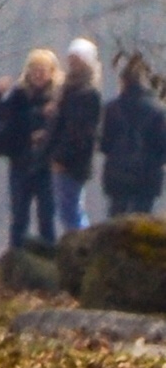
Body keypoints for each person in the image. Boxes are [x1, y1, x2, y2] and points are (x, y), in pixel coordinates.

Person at [0, 48, 59, 250]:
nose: (38, 74)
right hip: (20, 163)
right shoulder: (17, 95)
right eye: (34, 69)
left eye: (43, 69)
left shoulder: (58, 98)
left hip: (46, 166)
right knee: (19, 217)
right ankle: (15, 260)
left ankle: (49, 263)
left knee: (47, 217)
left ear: (52, 72)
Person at [101, 56, 166, 217]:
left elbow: (104, 144)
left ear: (123, 82)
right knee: (142, 220)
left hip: (117, 173)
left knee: (116, 219)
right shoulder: (159, 110)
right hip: (148, 174)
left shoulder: (111, 108)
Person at [53, 38, 105, 234]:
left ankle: (81, 251)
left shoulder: (87, 94)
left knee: (71, 211)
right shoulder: (68, 90)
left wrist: (61, 157)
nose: (72, 64)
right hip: (65, 159)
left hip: (74, 162)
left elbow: (79, 132)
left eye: (77, 60)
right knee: (67, 210)